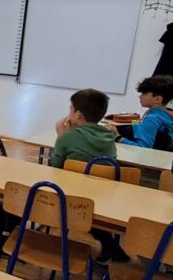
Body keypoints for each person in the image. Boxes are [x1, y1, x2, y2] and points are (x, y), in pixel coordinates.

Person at [49, 89, 127, 263]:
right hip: (103, 196)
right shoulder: (109, 134)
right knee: (88, 207)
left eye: (70, 109)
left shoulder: (68, 136)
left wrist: (61, 136)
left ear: (77, 115)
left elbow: (56, 166)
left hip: (71, 197)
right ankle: (110, 245)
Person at [108, 75, 173, 151]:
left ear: (157, 99)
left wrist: (118, 137)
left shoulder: (152, 119)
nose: (140, 96)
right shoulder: (172, 114)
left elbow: (142, 149)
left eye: (144, 93)